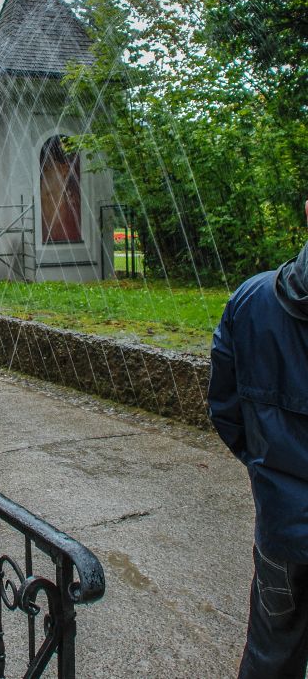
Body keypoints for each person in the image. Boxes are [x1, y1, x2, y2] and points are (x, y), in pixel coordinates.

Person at [209, 200, 308, 679]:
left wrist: (264, 464)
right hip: (281, 522)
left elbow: (225, 409)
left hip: (282, 528)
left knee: (270, 658)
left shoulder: (251, 300)